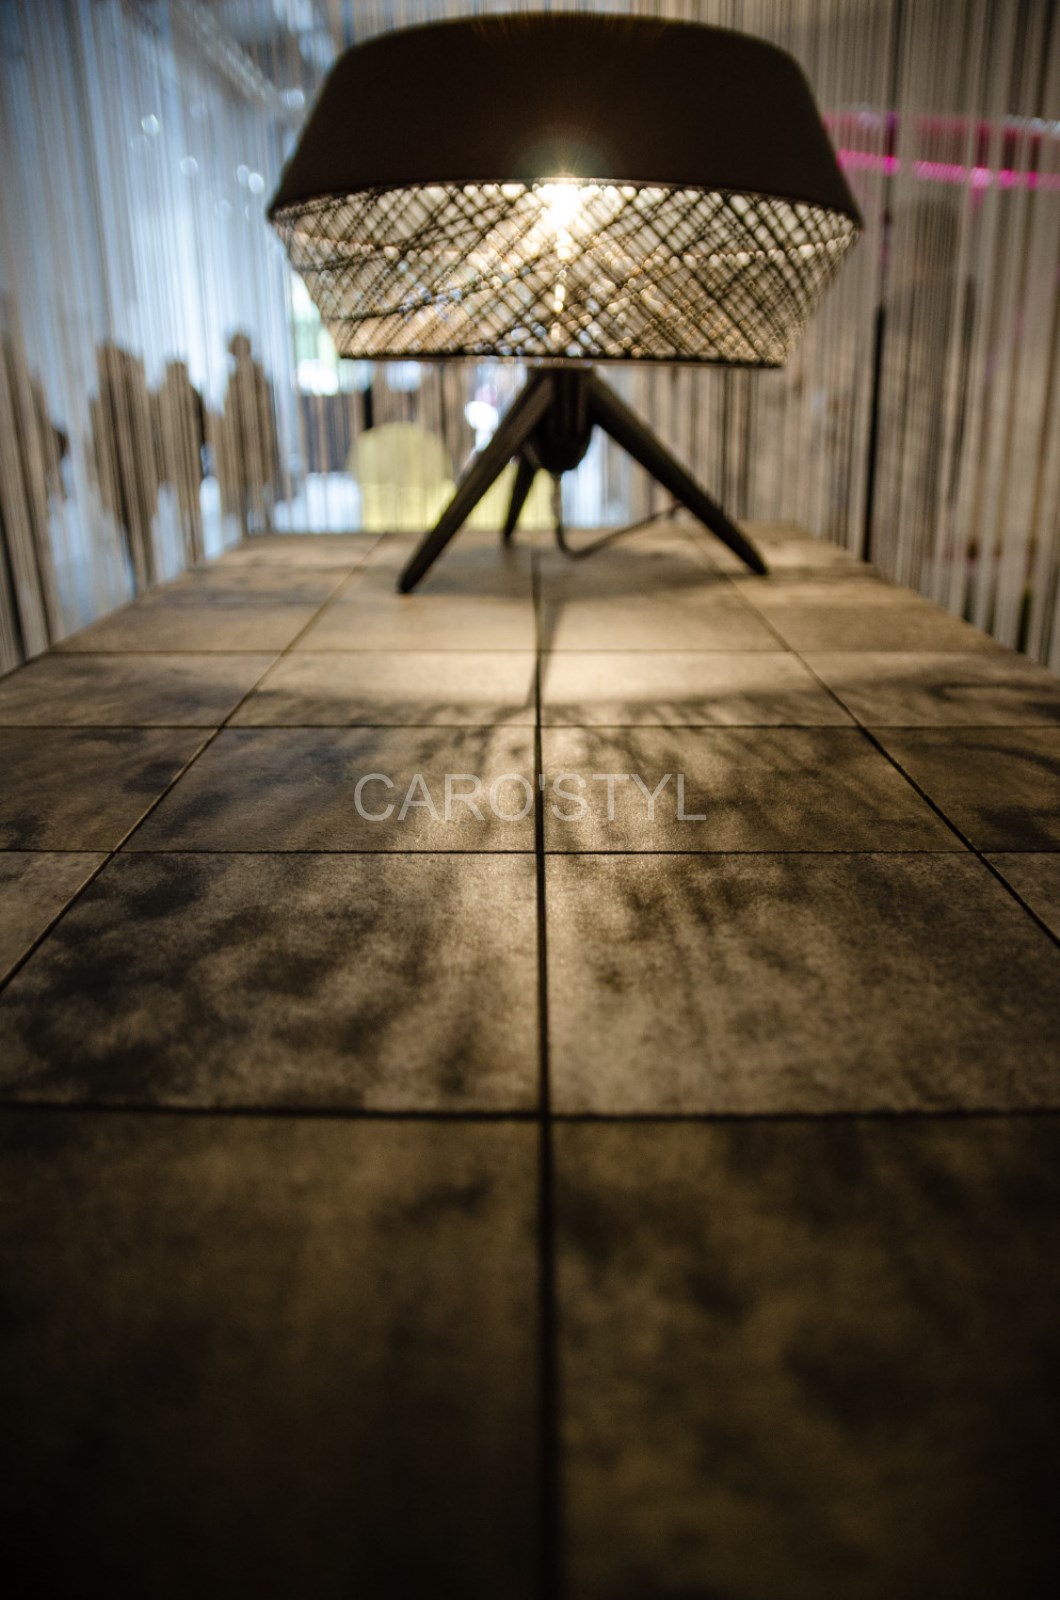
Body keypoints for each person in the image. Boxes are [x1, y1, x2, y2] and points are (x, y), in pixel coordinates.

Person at [218, 330, 281, 536]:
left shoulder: (258, 378)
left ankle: (268, 535)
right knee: (242, 497)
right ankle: (246, 537)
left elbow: (266, 415)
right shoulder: (233, 379)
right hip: (238, 448)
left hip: (257, 447)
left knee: (261, 496)